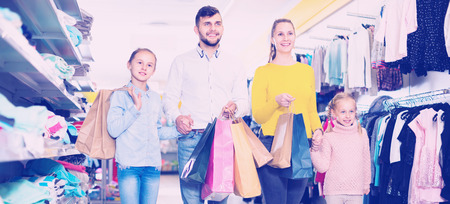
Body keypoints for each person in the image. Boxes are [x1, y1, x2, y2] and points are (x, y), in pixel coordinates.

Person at [162, 5, 249, 204]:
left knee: (219, 199)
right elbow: (169, 98)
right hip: (191, 139)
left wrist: (235, 106)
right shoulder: (181, 61)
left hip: (223, 139)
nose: (213, 28)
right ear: (196, 29)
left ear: (223, 28)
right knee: (192, 199)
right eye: (207, 24)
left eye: (217, 23)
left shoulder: (235, 63)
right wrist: (177, 117)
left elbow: (244, 102)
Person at [251, 18, 323, 204]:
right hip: (271, 145)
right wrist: (275, 101)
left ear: (295, 37)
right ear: (273, 39)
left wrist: (318, 131)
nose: (285, 38)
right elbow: (258, 116)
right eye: (280, 34)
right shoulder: (262, 72)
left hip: (300, 145)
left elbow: (311, 110)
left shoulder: (306, 71)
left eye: (289, 33)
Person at [107, 48, 178, 204]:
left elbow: (157, 131)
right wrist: (135, 108)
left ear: (153, 71)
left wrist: (180, 130)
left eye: (149, 65)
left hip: (152, 165)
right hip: (129, 165)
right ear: (129, 65)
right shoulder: (120, 94)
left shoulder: (155, 98)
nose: (144, 67)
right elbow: (113, 130)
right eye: (139, 62)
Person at [310, 92, 371, 204]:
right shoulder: (328, 136)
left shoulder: (362, 133)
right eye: (343, 112)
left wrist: (366, 183)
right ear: (334, 113)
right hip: (333, 192)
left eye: (351, 111)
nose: (347, 116)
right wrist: (314, 150)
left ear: (355, 112)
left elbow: (366, 160)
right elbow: (323, 167)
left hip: (356, 191)